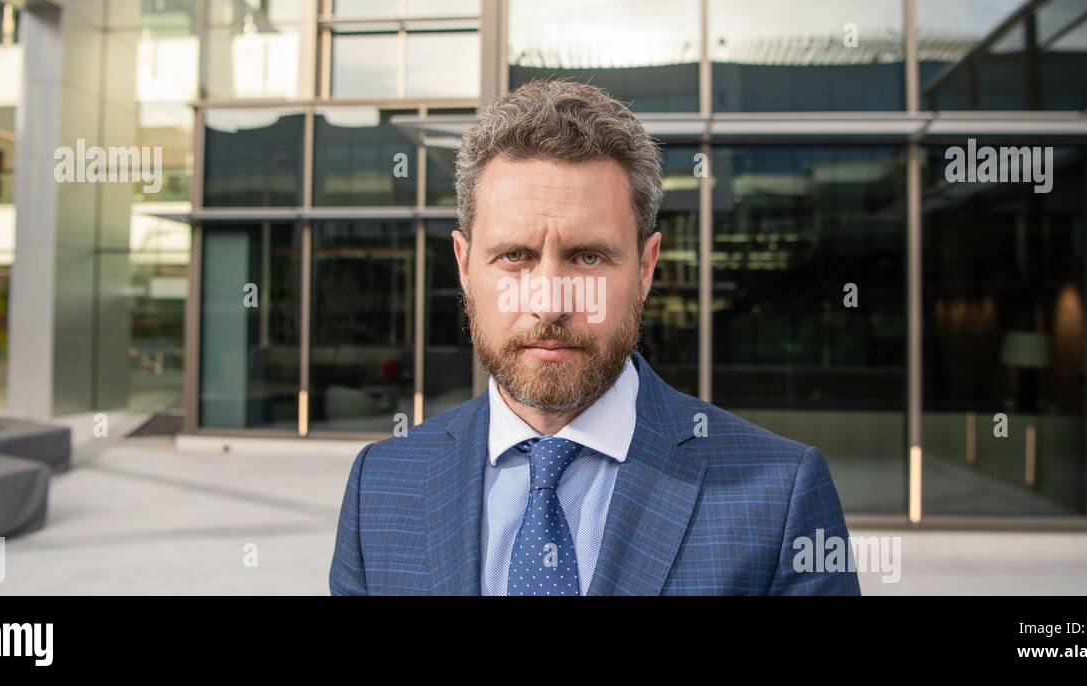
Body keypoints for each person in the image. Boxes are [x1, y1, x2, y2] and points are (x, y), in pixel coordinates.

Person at [329, 79, 860, 595]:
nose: (550, 302)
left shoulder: (779, 494)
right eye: (515, 256)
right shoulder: (380, 485)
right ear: (465, 266)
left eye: (588, 258)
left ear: (647, 267)